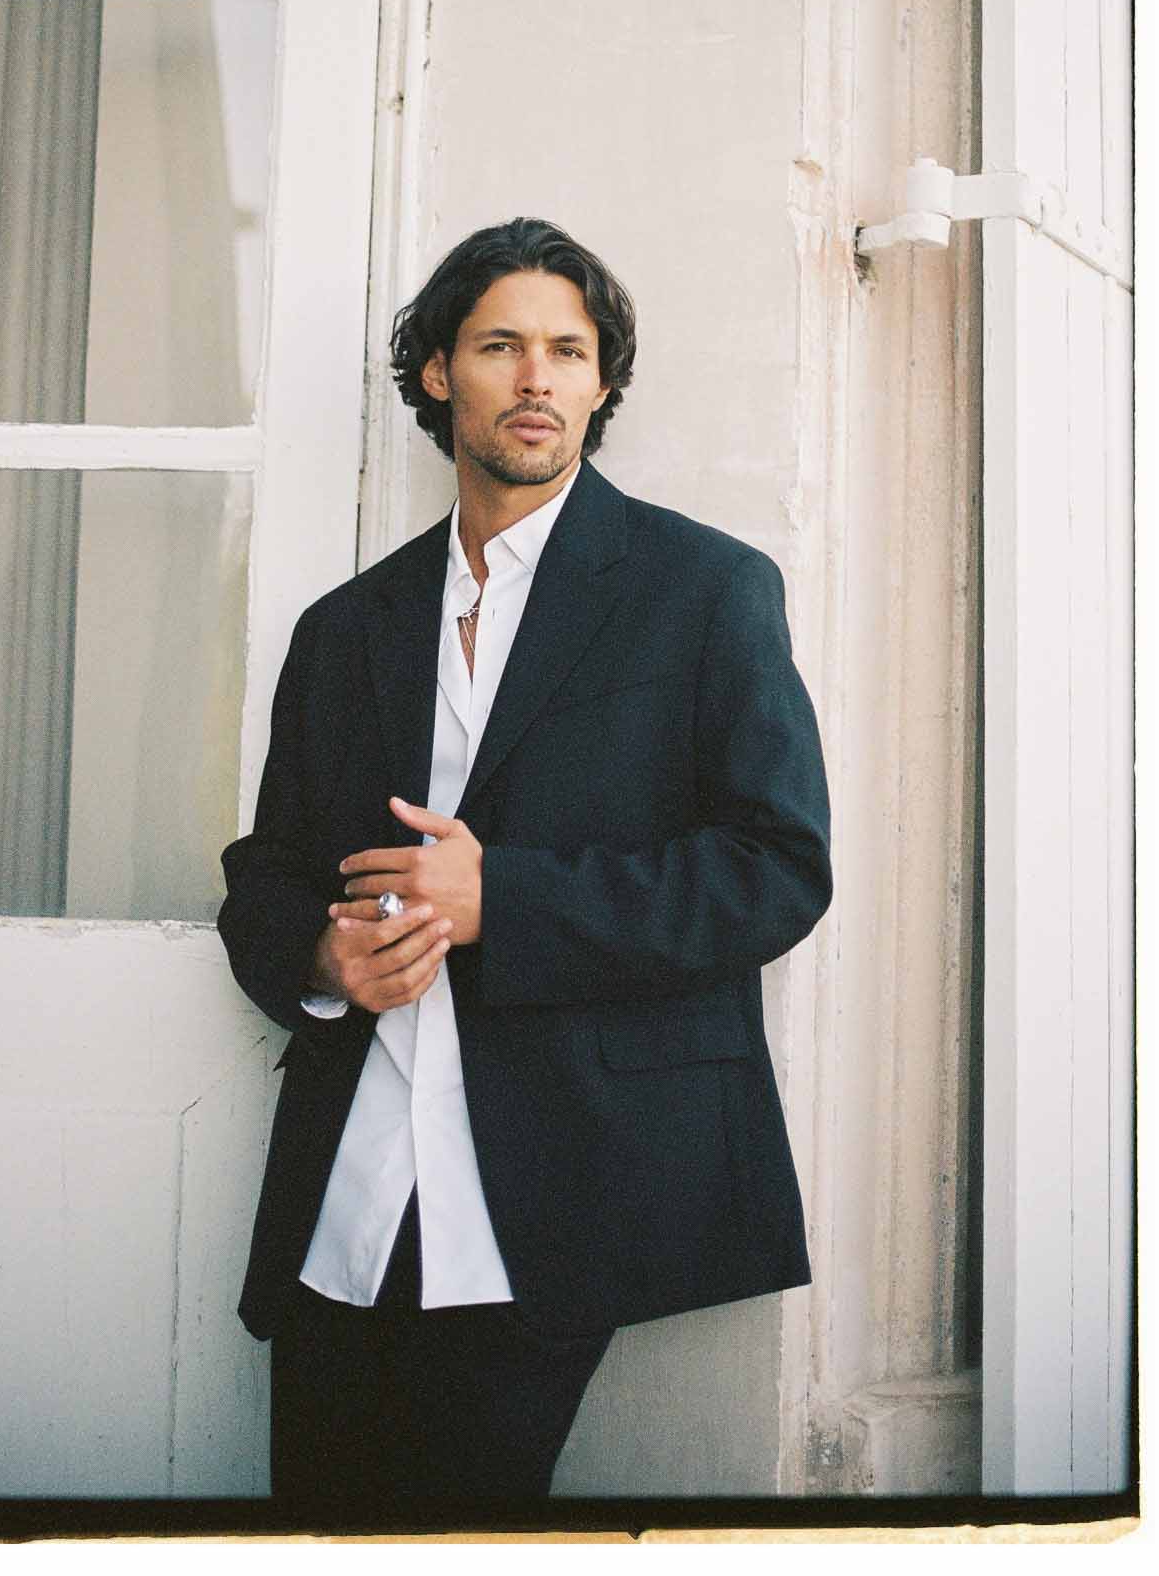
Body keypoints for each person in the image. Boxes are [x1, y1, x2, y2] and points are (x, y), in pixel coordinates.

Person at [217, 218, 831, 1516]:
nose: (538, 376)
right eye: (502, 345)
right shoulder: (345, 630)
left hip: (554, 1189)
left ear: (602, 385)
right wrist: (325, 962)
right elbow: (265, 878)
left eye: (571, 350)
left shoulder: (704, 590)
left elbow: (778, 867)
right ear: (442, 373)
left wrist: (512, 900)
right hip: (353, 1183)